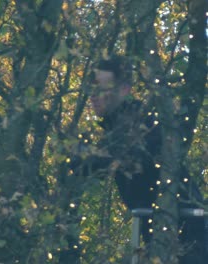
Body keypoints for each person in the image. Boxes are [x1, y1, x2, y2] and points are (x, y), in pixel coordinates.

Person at [88, 55, 206, 263]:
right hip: (163, 235)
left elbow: (101, 161)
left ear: (124, 89)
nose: (93, 96)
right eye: (92, 88)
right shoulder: (118, 128)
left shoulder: (140, 125)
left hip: (189, 235)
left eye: (101, 89)